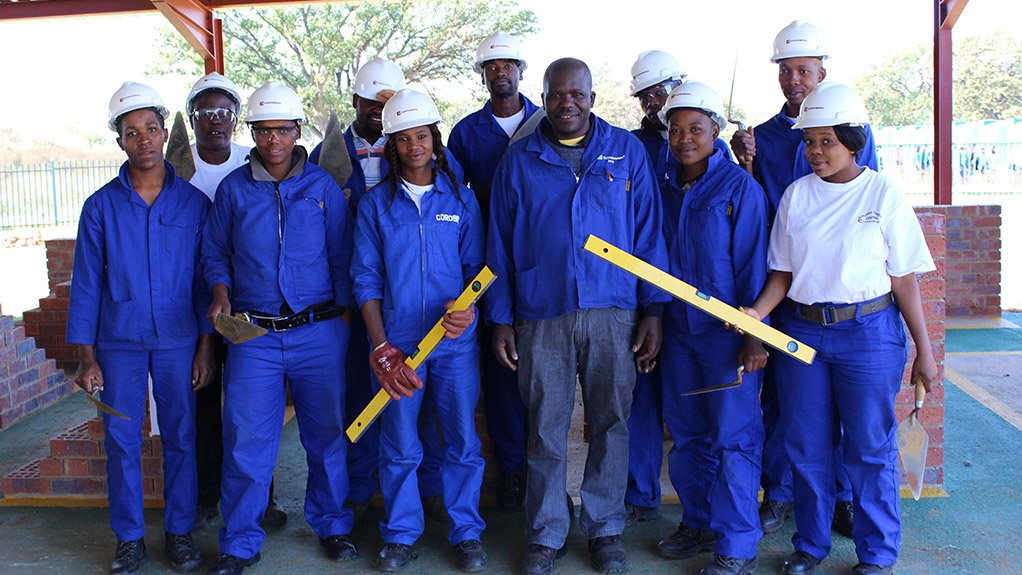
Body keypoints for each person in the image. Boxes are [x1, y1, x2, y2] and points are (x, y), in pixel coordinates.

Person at [738, 82, 937, 575]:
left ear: (854, 140)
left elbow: (904, 280)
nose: (816, 152)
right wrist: (757, 315)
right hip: (803, 333)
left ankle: (877, 554)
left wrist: (924, 350)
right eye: (810, 142)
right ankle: (810, 545)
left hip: (868, 335)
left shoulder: (882, 194)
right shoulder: (795, 196)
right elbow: (782, 274)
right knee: (805, 447)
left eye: (828, 141)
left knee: (870, 447)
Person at [487, 57, 670, 575]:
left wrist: (653, 309)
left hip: (615, 312)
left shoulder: (626, 152)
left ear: (592, 96)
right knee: (544, 426)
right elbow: (497, 244)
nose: (567, 103)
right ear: (542, 97)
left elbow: (649, 235)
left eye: (577, 94)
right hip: (541, 313)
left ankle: (605, 528)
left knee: (611, 421)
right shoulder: (520, 160)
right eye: (557, 94)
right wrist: (500, 317)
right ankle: (545, 534)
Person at [728, 20, 879, 537]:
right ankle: (782, 493)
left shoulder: (854, 127)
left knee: (837, 409)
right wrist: (744, 164)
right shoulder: (764, 137)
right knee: (784, 404)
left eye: (804, 70)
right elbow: (761, 211)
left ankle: (840, 498)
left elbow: (859, 198)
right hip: (782, 284)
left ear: (822, 71)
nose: (795, 79)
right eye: (787, 71)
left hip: (833, 289)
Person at [203, 81, 356, 575]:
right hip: (255, 338)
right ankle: (240, 542)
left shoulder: (322, 188)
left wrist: (343, 323)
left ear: (297, 133)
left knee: (327, 435)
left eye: (283, 131)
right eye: (265, 131)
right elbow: (215, 253)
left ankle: (333, 525)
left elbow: (342, 256)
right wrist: (221, 291)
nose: (274, 141)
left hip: (318, 332)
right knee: (247, 440)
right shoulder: (233, 190)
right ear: (253, 132)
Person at [67, 81, 212, 574]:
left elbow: (204, 282)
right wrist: (86, 357)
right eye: (132, 132)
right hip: (118, 346)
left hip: (177, 340)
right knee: (122, 440)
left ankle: (179, 533)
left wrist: (204, 348)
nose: (144, 140)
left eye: (151, 128)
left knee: (181, 436)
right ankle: (129, 538)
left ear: (165, 131)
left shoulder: (193, 204)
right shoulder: (100, 208)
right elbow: (85, 285)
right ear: (120, 141)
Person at [352, 88, 487, 573]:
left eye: (423, 136)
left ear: (435, 139)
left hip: (454, 345)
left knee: (460, 441)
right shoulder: (376, 206)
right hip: (400, 347)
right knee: (400, 443)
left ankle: (466, 532)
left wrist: (468, 311)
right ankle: (402, 532)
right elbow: (364, 279)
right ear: (391, 145)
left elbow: (477, 269)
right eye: (404, 139)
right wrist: (381, 345)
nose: (415, 147)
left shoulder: (461, 200)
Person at [309, 57, 448, 523]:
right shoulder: (325, 154)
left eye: (390, 102)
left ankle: (423, 494)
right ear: (357, 102)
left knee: (413, 401)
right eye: (374, 102)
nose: (381, 111)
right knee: (357, 397)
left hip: (410, 297)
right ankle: (359, 491)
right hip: (348, 301)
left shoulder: (417, 147)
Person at [653, 82, 768, 575]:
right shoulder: (662, 186)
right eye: (676, 130)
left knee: (734, 437)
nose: (684, 139)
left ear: (715, 131)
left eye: (695, 129)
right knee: (687, 434)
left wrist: (753, 335)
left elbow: (755, 267)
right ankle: (697, 522)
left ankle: (736, 542)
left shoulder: (740, 189)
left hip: (726, 336)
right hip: (679, 332)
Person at [183, 72, 289, 532]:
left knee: (253, 414)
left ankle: (263, 500)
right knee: (203, 402)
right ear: (192, 120)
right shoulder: (179, 166)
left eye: (224, 111)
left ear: (237, 119)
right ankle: (208, 496)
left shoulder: (255, 161)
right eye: (205, 113)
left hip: (249, 309)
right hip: (193, 305)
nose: (215, 121)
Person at [447, 31, 539, 512]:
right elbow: (454, 200)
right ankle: (512, 472)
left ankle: (546, 474)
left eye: (508, 64)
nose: (500, 72)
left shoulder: (549, 122)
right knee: (502, 374)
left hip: (543, 266)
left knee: (546, 373)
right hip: (489, 270)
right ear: (483, 74)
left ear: (522, 70)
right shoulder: (465, 133)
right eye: (491, 66)